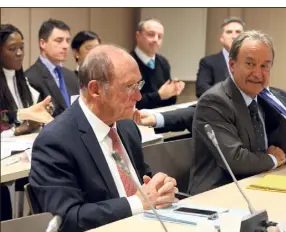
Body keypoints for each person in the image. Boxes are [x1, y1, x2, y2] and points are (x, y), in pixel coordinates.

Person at [29, 44, 178, 232]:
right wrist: (138, 203)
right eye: (130, 87)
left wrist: (159, 189)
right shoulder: (54, 141)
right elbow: (67, 218)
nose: (139, 96)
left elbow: (142, 182)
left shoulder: (127, 126)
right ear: (95, 90)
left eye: (139, 85)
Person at [188, 30, 286, 195]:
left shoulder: (263, 98)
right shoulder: (214, 101)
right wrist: (272, 160)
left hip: (258, 185)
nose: (257, 73)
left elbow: (279, 152)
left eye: (264, 66)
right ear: (232, 65)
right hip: (219, 194)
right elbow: (235, 159)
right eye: (250, 64)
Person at [0, 23, 53, 221]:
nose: (20, 53)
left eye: (22, 47)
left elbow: (28, 116)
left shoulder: (23, 80)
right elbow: (5, 118)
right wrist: (21, 122)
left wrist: (38, 116)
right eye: (12, 49)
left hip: (24, 155)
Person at [25, 19, 79, 117]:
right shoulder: (30, 78)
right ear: (43, 43)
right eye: (59, 40)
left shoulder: (71, 76)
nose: (65, 46)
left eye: (67, 41)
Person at [130, 18, 185, 109]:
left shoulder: (163, 62)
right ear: (138, 36)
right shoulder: (127, 62)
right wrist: (159, 95)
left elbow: (169, 102)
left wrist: (173, 91)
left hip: (159, 117)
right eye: (151, 34)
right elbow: (128, 101)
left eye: (159, 36)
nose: (156, 39)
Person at [196, 17, 245, 98]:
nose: (234, 36)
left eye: (238, 32)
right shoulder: (208, 62)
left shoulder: (253, 63)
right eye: (229, 32)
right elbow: (201, 89)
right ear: (221, 38)